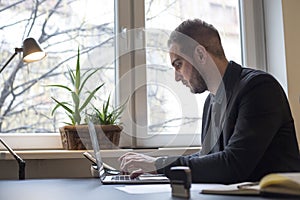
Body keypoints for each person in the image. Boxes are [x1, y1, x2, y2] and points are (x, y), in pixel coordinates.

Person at [119, 19, 300, 184]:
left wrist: (159, 164)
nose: (176, 76)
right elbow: (210, 158)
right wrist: (155, 168)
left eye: (178, 64)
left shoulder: (259, 88)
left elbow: (233, 165)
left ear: (200, 54)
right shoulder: (211, 101)